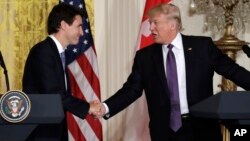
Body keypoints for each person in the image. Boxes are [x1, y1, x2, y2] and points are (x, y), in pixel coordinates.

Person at [94, 3, 250, 141]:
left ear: (172, 25)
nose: (151, 28)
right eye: (150, 23)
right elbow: (131, 90)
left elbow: (234, 71)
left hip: (202, 129)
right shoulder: (145, 57)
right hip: (164, 132)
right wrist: (106, 107)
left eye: (155, 23)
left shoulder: (202, 47)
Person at [22, 3, 100, 141]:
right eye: (79, 26)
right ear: (63, 25)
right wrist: (88, 107)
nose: (82, 32)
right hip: (42, 133)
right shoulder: (43, 52)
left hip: (55, 131)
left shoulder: (56, 53)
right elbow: (53, 94)